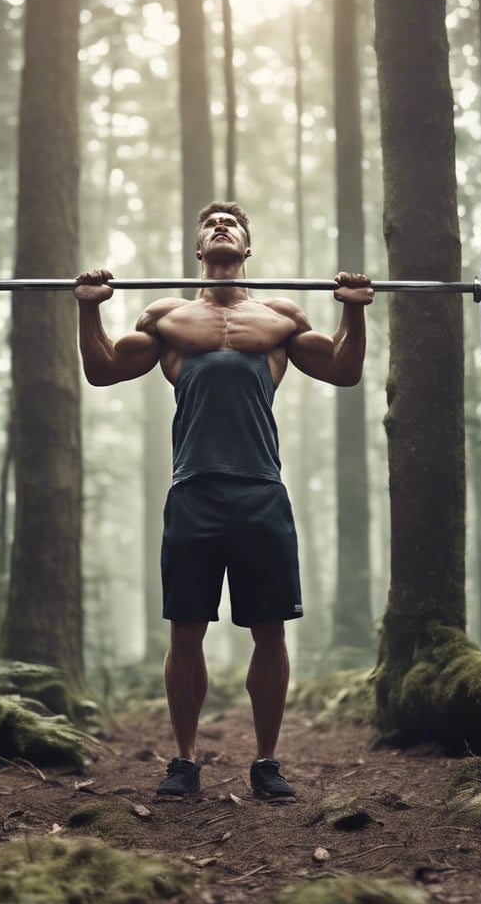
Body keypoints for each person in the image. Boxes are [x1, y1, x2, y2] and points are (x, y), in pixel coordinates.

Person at [74, 201, 373, 800]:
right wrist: (88, 312)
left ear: (247, 247)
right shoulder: (166, 316)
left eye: (231, 222)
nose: (220, 226)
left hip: (261, 489)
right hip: (194, 490)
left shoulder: (281, 316)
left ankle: (266, 762)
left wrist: (354, 313)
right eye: (210, 223)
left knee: (270, 630)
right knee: (186, 631)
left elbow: (343, 370)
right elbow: (104, 369)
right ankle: (184, 762)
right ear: (197, 249)